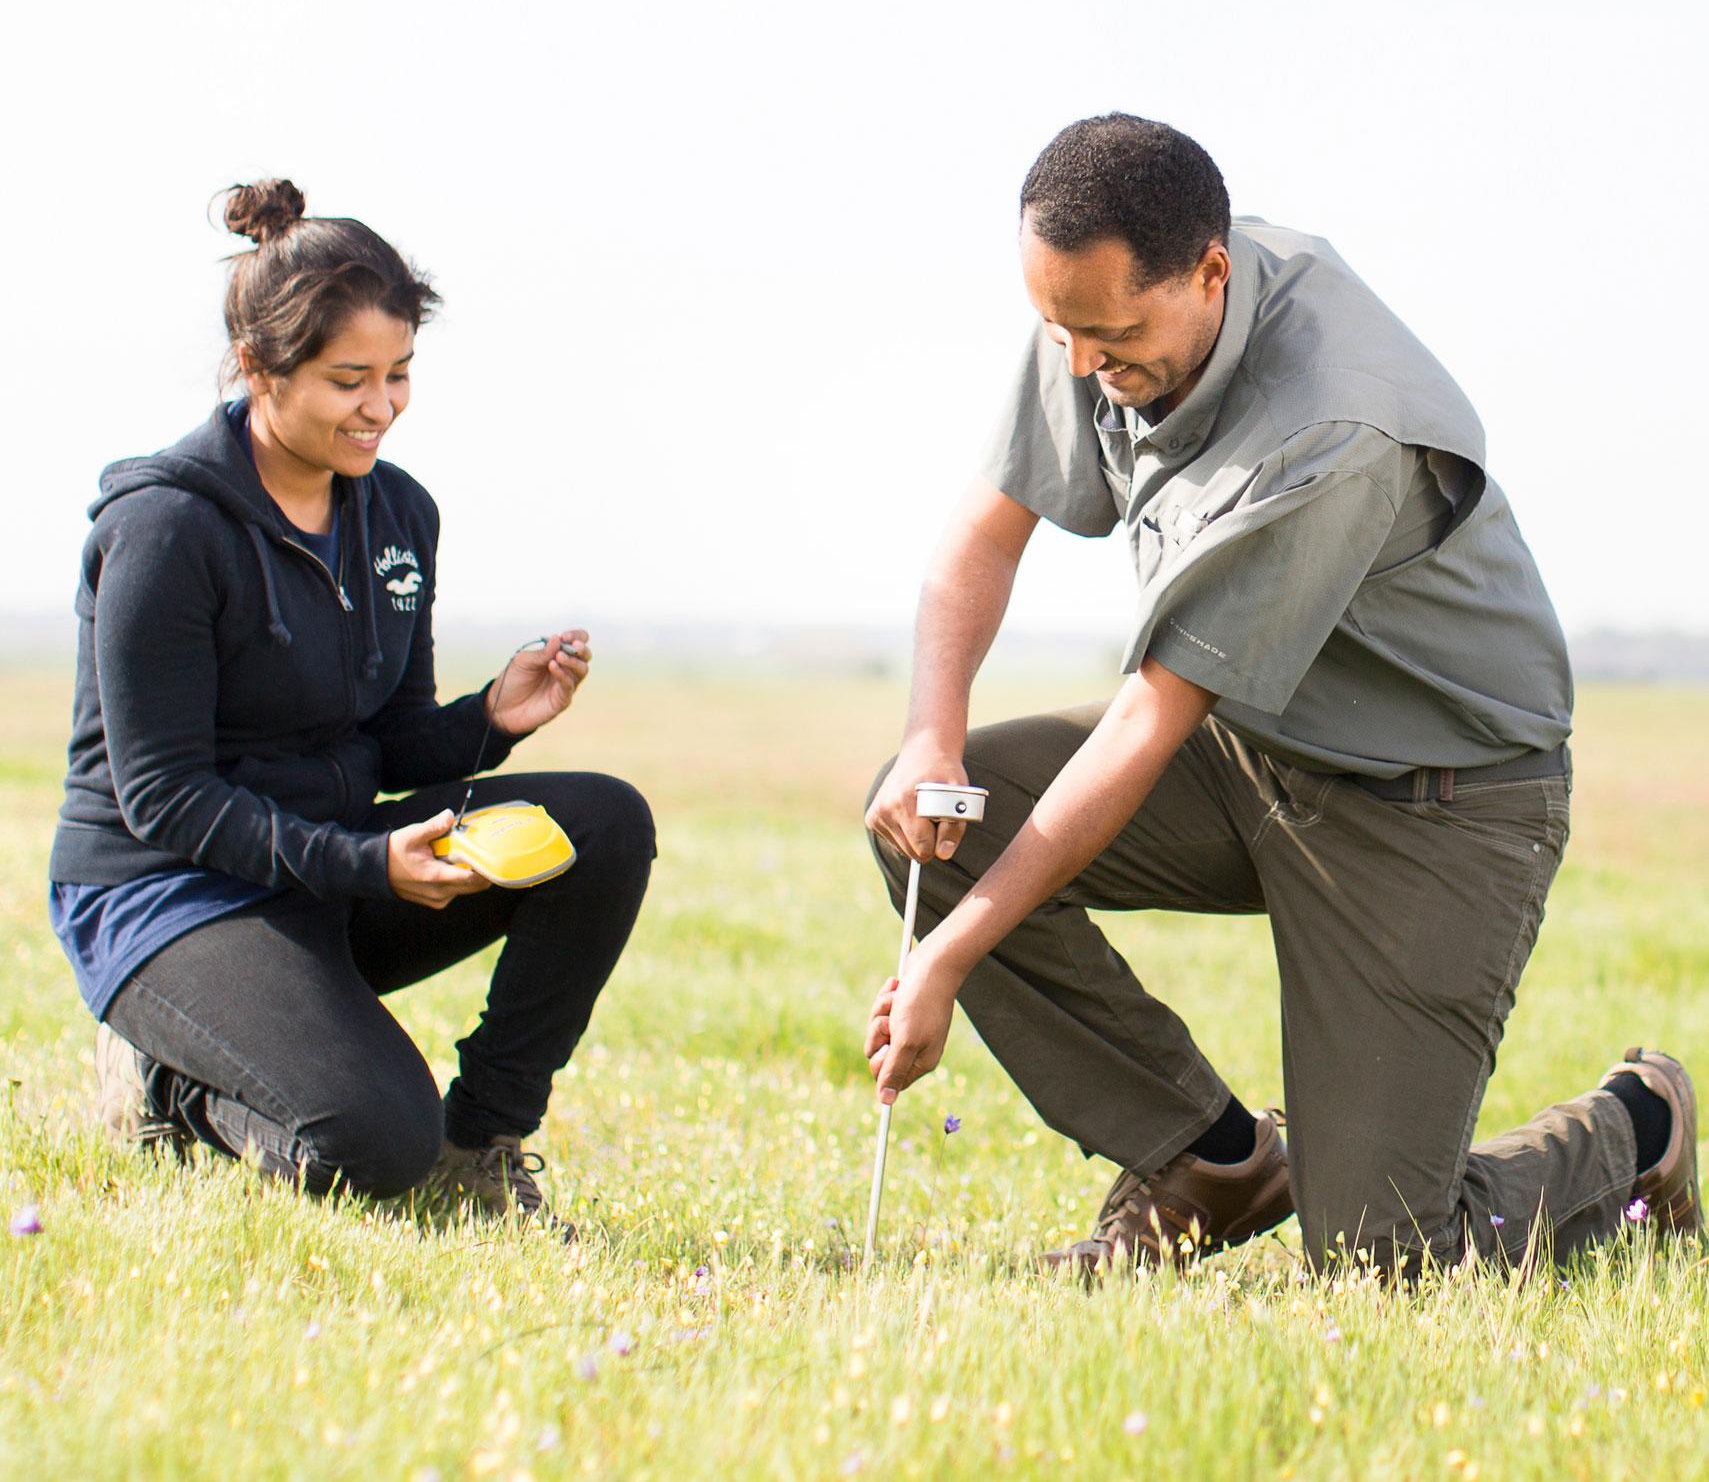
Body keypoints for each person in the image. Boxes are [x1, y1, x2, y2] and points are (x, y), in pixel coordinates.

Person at [863, 114, 1698, 1276]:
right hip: (1260, 747)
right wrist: (928, 737)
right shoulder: (1095, 305)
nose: (1076, 367)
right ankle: (1210, 1157)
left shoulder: (1326, 425)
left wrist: (943, 960)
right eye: (1056, 328)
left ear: (1208, 274)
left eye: (1105, 333)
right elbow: (983, 529)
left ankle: (1639, 1125)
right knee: (939, 823)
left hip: (1436, 800)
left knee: (1381, 1256)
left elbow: (1147, 722)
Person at [50, 178, 655, 1236]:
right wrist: (364, 866)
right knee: (370, 1145)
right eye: (348, 380)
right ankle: (167, 1085)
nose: (381, 405)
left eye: (400, 374)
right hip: (171, 896)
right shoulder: (164, 531)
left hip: (322, 860)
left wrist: (490, 719)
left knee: (602, 824)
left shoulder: (396, 511)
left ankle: (480, 1147)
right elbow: (162, 798)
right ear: (257, 368)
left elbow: (383, 738)